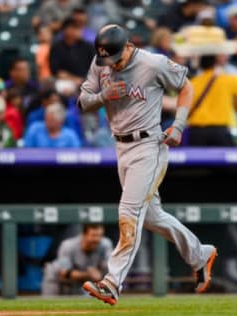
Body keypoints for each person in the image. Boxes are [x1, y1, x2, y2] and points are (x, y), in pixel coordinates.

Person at [78, 24, 217, 305]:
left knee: (129, 212)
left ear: (127, 46)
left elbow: (186, 86)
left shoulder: (152, 63)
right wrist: (104, 96)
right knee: (151, 216)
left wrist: (178, 125)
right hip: (121, 146)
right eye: (106, 59)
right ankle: (200, 254)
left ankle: (112, 283)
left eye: (115, 58)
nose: (111, 64)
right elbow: (82, 103)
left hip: (148, 146)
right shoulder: (100, 61)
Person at [179, 27, 237, 146]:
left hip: (197, 132)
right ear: (216, 60)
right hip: (220, 131)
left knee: (198, 164)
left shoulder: (193, 82)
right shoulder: (228, 79)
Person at [42, 224, 113, 296]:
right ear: (84, 235)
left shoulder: (105, 245)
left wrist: (98, 274)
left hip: (79, 282)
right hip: (56, 280)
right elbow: (63, 273)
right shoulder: (68, 245)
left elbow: (110, 268)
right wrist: (88, 275)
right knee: (51, 304)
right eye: (93, 235)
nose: (97, 239)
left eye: (100, 236)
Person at [49, 17, 95, 93]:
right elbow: (57, 72)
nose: (77, 31)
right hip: (66, 81)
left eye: (78, 28)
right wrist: (75, 80)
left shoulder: (88, 46)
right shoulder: (56, 48)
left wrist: (84, 80)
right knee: (63, 88)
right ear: (65, 30)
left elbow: (95, 66)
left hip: (86, 80)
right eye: (74, 28)